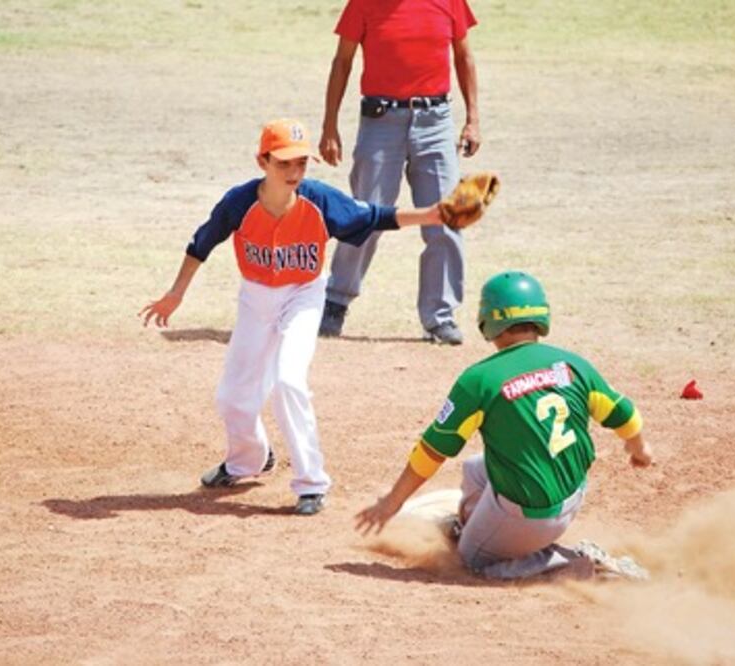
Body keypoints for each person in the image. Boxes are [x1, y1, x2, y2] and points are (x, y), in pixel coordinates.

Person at [140, 119, 446, 516]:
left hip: (304, 295)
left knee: (288, 381)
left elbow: (374, 216)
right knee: (232, 398)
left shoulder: (318, 200)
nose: (294, 172)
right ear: (262, 161)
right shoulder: (239, 202)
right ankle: (247, 461)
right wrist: (176, 293)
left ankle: (311, 484)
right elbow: (202, 242)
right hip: (254, 298)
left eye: (301, 163)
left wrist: (433, 214)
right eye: (284, 163)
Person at [355, 271, 654, 579]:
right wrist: (639, 448)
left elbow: (431, 451)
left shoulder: (481, 380)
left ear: (488, 319)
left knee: (471, 561)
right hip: (572, 494)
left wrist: (391, 503)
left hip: (532, 516)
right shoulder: (573, 364)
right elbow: (624, 413)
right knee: (475, 468)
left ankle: (576, 562)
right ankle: (481, 530)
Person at [317, 0, 481, 345]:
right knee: (364, 214)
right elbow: (342, 61)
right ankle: (335, 301)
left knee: (447, 217)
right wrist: (329, 126)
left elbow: (464, 57)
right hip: (380, 122)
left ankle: (440, 316)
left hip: (435, 121)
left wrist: (473, 120)